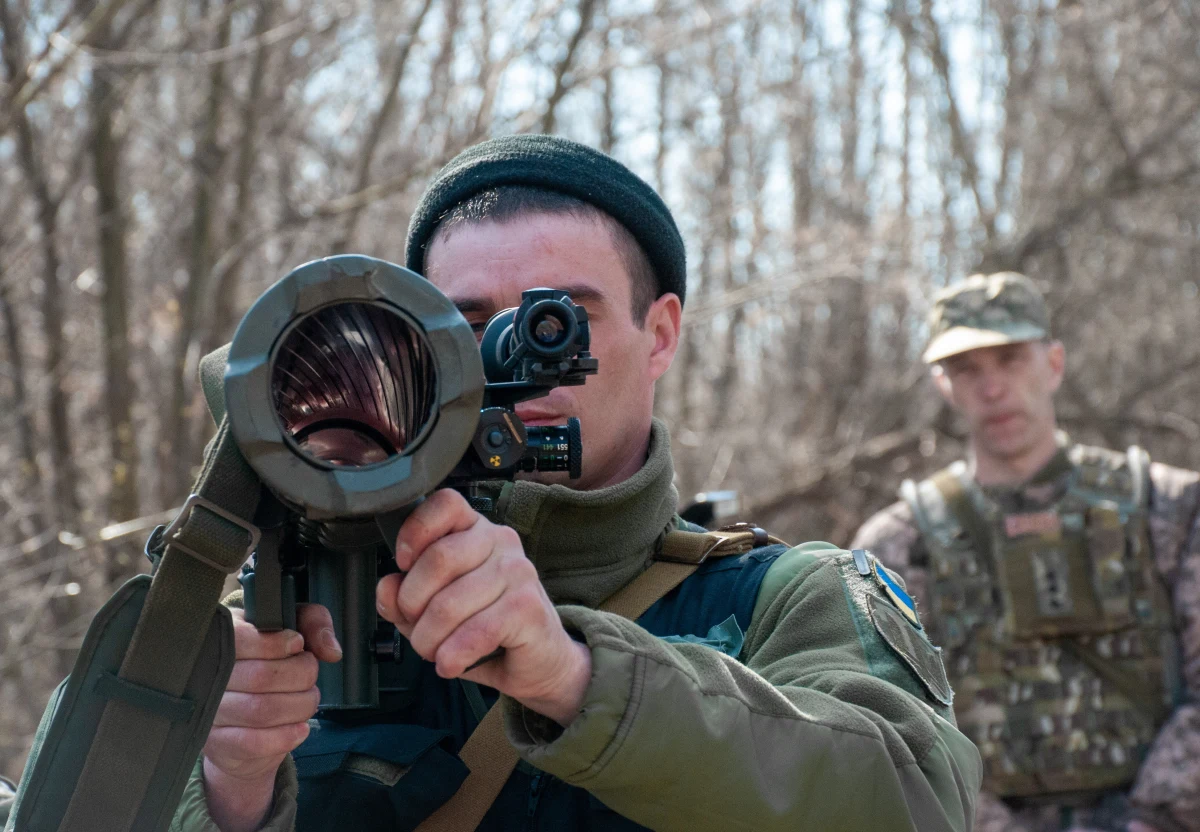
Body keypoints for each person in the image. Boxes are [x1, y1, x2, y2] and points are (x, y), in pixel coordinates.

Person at [165, 135, 979, 831]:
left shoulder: (783, 603)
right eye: (474, 326)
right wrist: (228, 786)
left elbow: (918, 800)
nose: (521, 361)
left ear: (659, 334)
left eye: (560, 320)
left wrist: (579, 677)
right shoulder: (284, 615)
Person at [852, 272, 1200, 832]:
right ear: (945, 386)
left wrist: (1155, 819)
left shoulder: (1169, 508)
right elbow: (891, 724)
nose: (993, 389)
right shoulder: (895, 544)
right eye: (968, 369)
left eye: (1011, 359)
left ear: (1054, 363)